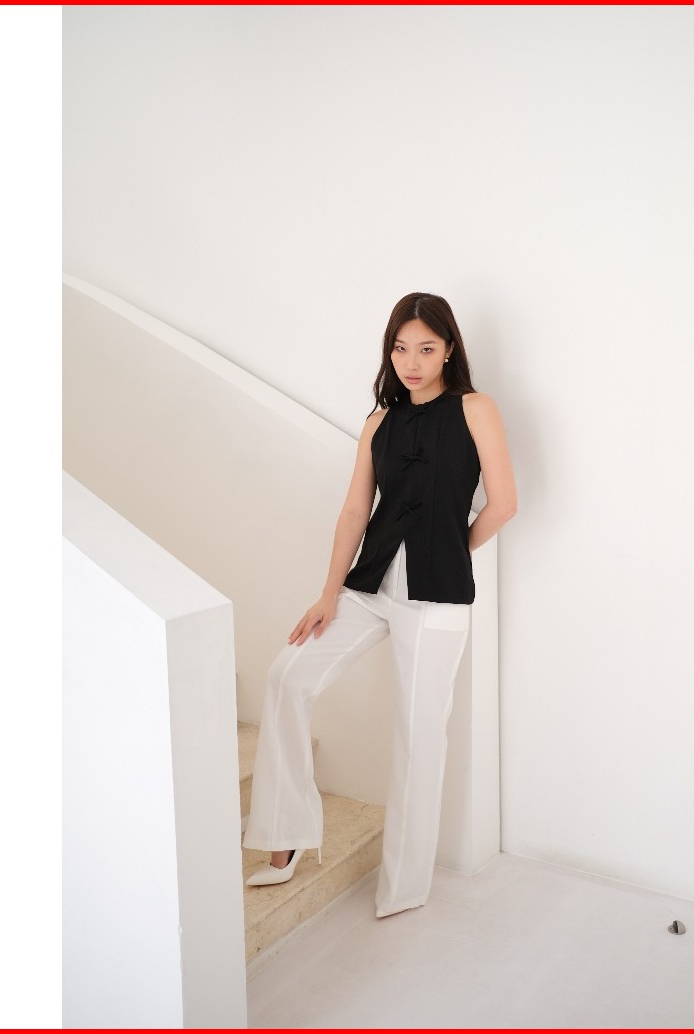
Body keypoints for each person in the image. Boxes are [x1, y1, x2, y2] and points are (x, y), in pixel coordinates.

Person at [242, 292, 517, 918]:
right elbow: (353, 511)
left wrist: (450, 553)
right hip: (369, 587)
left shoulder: (476, 409)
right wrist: (328, 593)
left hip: (436, 598)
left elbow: (504, 503)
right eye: (400, 348)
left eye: (425, 348)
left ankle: (404, 889)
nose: (411, 362)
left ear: (449, 349)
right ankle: (286, 838)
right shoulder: (379, 422)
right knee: (287, 677)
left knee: (420, 738)